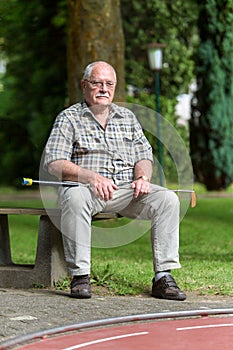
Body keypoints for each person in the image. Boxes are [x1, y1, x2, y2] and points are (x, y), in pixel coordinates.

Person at [44, 61, 186, 301]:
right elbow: (54, 162)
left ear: (115, 87)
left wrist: (142, 177)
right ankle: (80, 276)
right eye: (97, 83)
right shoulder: (68, 118)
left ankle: (163, 276)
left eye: (109, 83)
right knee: (76, 198)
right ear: (84, 85)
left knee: (168, 199)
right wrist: (90, 177)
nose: (103, 88)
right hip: (86, 191)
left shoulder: (127, 117)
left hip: (125, 190)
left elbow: (143, 156)